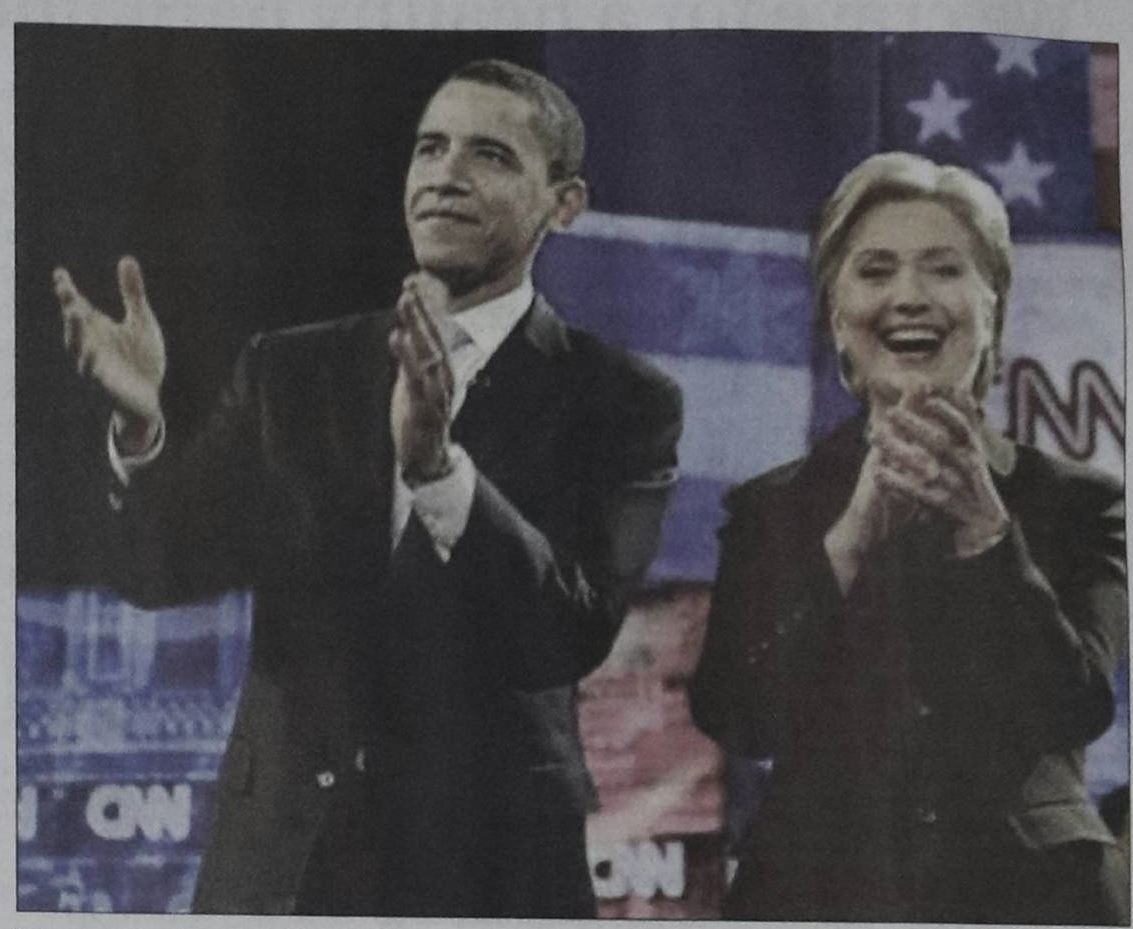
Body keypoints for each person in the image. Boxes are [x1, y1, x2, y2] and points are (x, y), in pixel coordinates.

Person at [52, 59, 682, 917]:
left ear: (563, 203)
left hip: (489, 871)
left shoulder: (621, 399)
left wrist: (439, 472)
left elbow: (566, 631)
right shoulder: (289, 370)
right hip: (284, 865)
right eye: (430, 147)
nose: (445, 174)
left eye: (489, 154)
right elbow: (155, 569)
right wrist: (141, 429)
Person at [690, 151, 1127, 923]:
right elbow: (739, 713)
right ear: (837, 314)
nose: (908, 297)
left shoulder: (1078, 501)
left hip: (1033, 897)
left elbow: (1073, 705)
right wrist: (848, 541)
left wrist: (986, 530)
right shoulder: (770, 510)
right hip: (816, 893)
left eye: (943, 268)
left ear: (992, 308)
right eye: (874, 270)